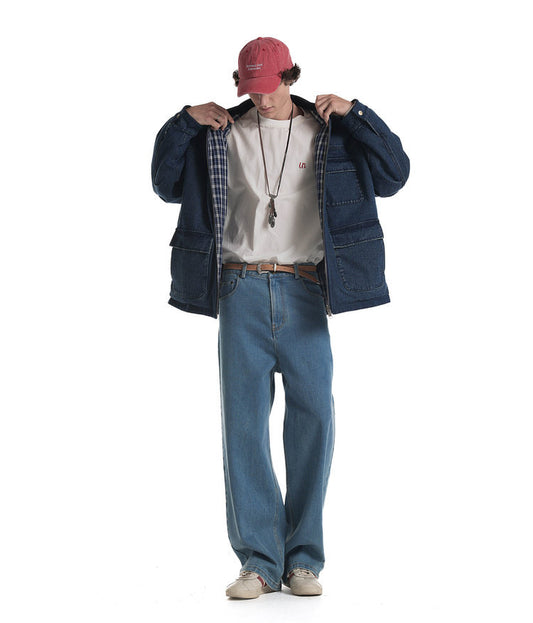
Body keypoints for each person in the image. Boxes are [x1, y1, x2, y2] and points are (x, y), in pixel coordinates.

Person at [151, 36, 409, 599]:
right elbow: (164, 186)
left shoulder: (329, 130)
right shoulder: (220, 132)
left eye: (268, 87)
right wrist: (183, 121)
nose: (260, 98)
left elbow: (395, 174)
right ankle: (259, 561)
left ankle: (304, 560)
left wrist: (358, 114)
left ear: (289, 77)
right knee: (244, 427)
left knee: (315, 419)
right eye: (250, 88)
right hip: (238, 286)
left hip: (306, 289)